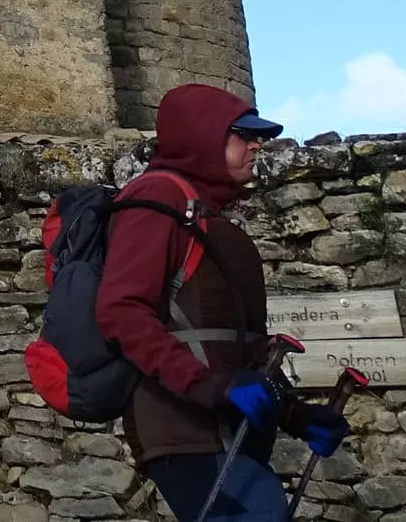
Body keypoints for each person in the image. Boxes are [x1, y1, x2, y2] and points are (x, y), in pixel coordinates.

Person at [98, 86, 349, 522]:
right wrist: (210, 387)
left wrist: (296, 416)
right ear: (201, 136)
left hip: (230, 435)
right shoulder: (157, 199)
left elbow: (235, 344)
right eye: (242, 134)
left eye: (258, 136)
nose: (258, 145)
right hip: (182, 431)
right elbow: (121, 312)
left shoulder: (208, 216)